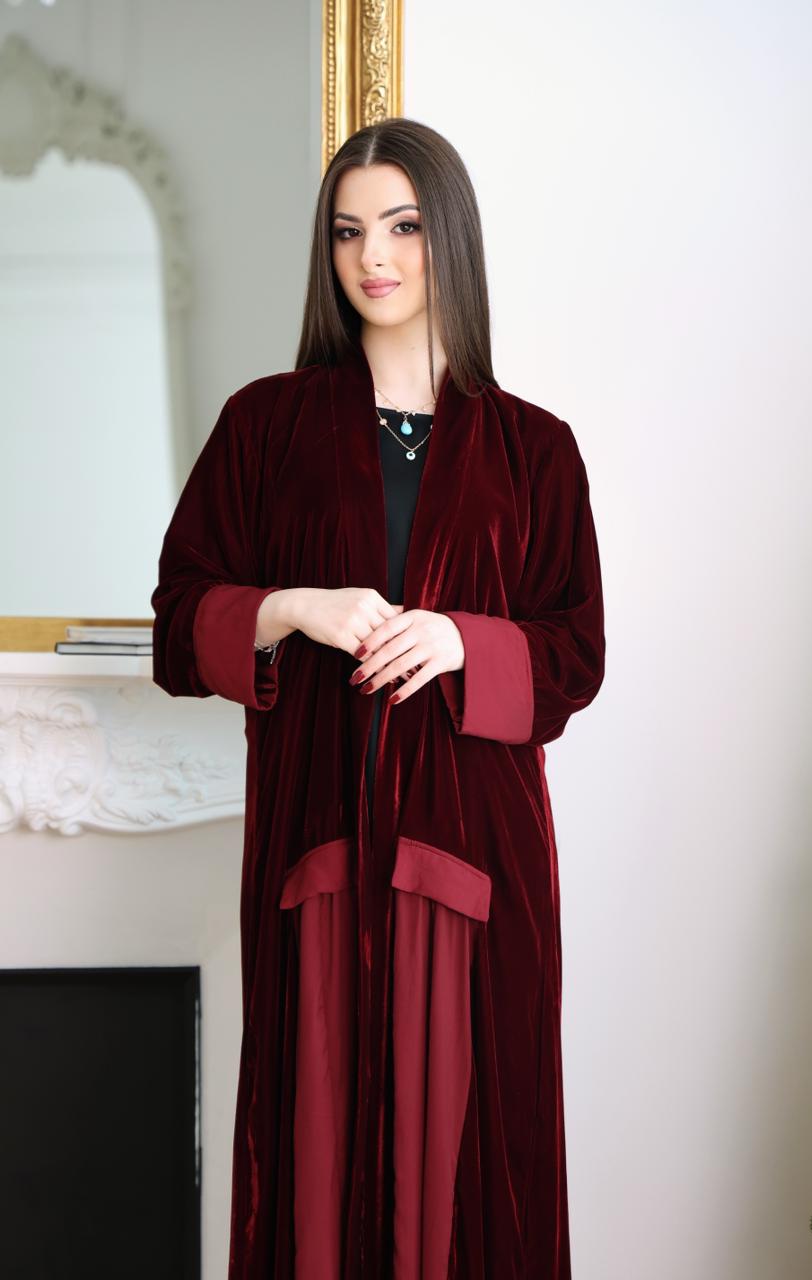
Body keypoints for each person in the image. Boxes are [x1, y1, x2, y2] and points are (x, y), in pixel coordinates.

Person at [151, 116, 606, 1280]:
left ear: (447, 235)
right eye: (348, 232)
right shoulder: (267, 425)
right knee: (312, 1162)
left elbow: (575, 653)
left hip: (476, 860)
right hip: (317, 851)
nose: (374, 257)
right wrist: (292, 605)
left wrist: (459, 638)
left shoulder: (534, 450)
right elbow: (179, 618)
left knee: (475, 1162)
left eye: (401, 226)